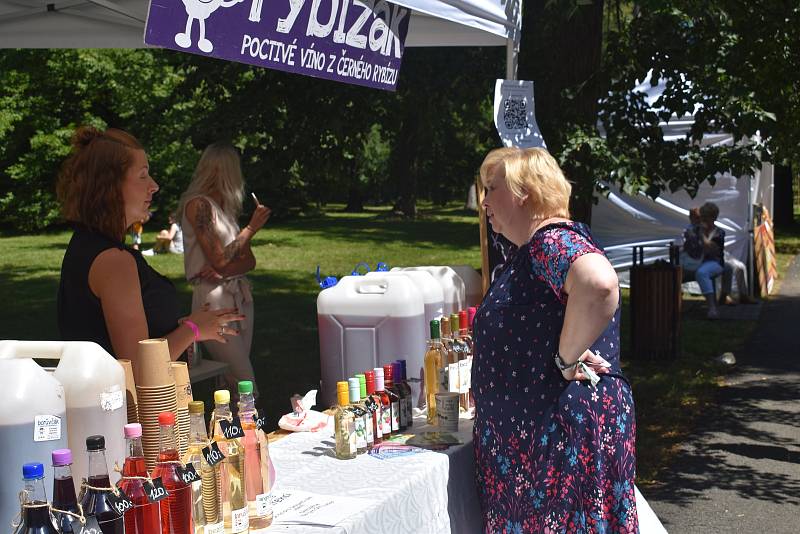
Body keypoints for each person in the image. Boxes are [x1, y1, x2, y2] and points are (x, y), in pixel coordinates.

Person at [474, 147, 637, 532]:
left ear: (522, 192)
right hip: (543, 443)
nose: (483, 202)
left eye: (491, 188)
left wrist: (566, 360)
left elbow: (598, 284)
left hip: (554, 443)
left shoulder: (550, 240)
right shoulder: (534, 250)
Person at [56, 126, 245, 368]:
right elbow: (139, 364)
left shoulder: (87, 244)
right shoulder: (114, 261)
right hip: (121, 404)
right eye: (143, 175)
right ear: (111, 185)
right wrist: (193, 329)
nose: (154, 186)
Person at [178, 142, 271, 396]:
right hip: (214, 300)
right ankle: (255, 429)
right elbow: (220, 259)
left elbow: (248, 261)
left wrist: (225, 269)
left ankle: (231, 432)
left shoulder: (225, 210)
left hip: (238, 293)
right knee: (245, 380)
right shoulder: (199, 205)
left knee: (232, 377)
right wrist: (250, 229)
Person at [682, 202, 725, 318]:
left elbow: (710, 249)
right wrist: (689, 237)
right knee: (675, 272)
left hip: (714, 262)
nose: (703, 221)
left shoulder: (719, 233)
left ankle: (712, 308)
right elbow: (688, 248)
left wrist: (701, 234)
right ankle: (674, 305)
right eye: (702, 217)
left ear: (714, 218)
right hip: (695, 261)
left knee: (702, 273)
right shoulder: (695, 229)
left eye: (706, 218)